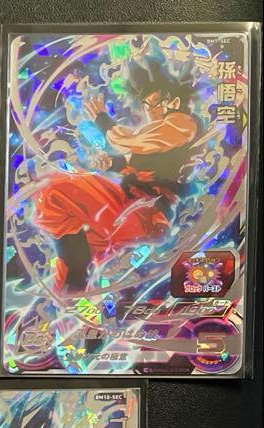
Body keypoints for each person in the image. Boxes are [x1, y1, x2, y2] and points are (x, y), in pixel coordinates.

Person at [34, 56, 200, 292]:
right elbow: (135, 160)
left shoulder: (183, 124)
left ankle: (76, 282)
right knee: (72, 260)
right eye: (147, 105)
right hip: (126, 205)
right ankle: (72, 290)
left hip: (146, 216)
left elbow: (130, 143)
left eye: (157, 103)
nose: (151, 110)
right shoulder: (158, 137)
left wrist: (102, 119)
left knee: (55, 188)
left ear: (173, 101)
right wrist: (109, 162)